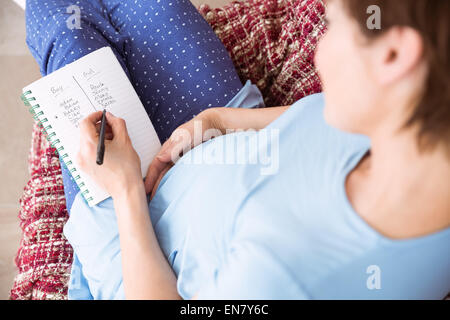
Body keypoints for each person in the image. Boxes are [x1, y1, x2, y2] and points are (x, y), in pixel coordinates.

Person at [30, 0, 450, 299]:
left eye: (334, 24)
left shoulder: (284, 276)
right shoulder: (420, 129)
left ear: (394, 55)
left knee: (60, 21)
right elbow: (315, 122)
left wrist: (124, 190)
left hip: (137, 240)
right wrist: (220, 121)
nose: (321, 49)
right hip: (226, 136)